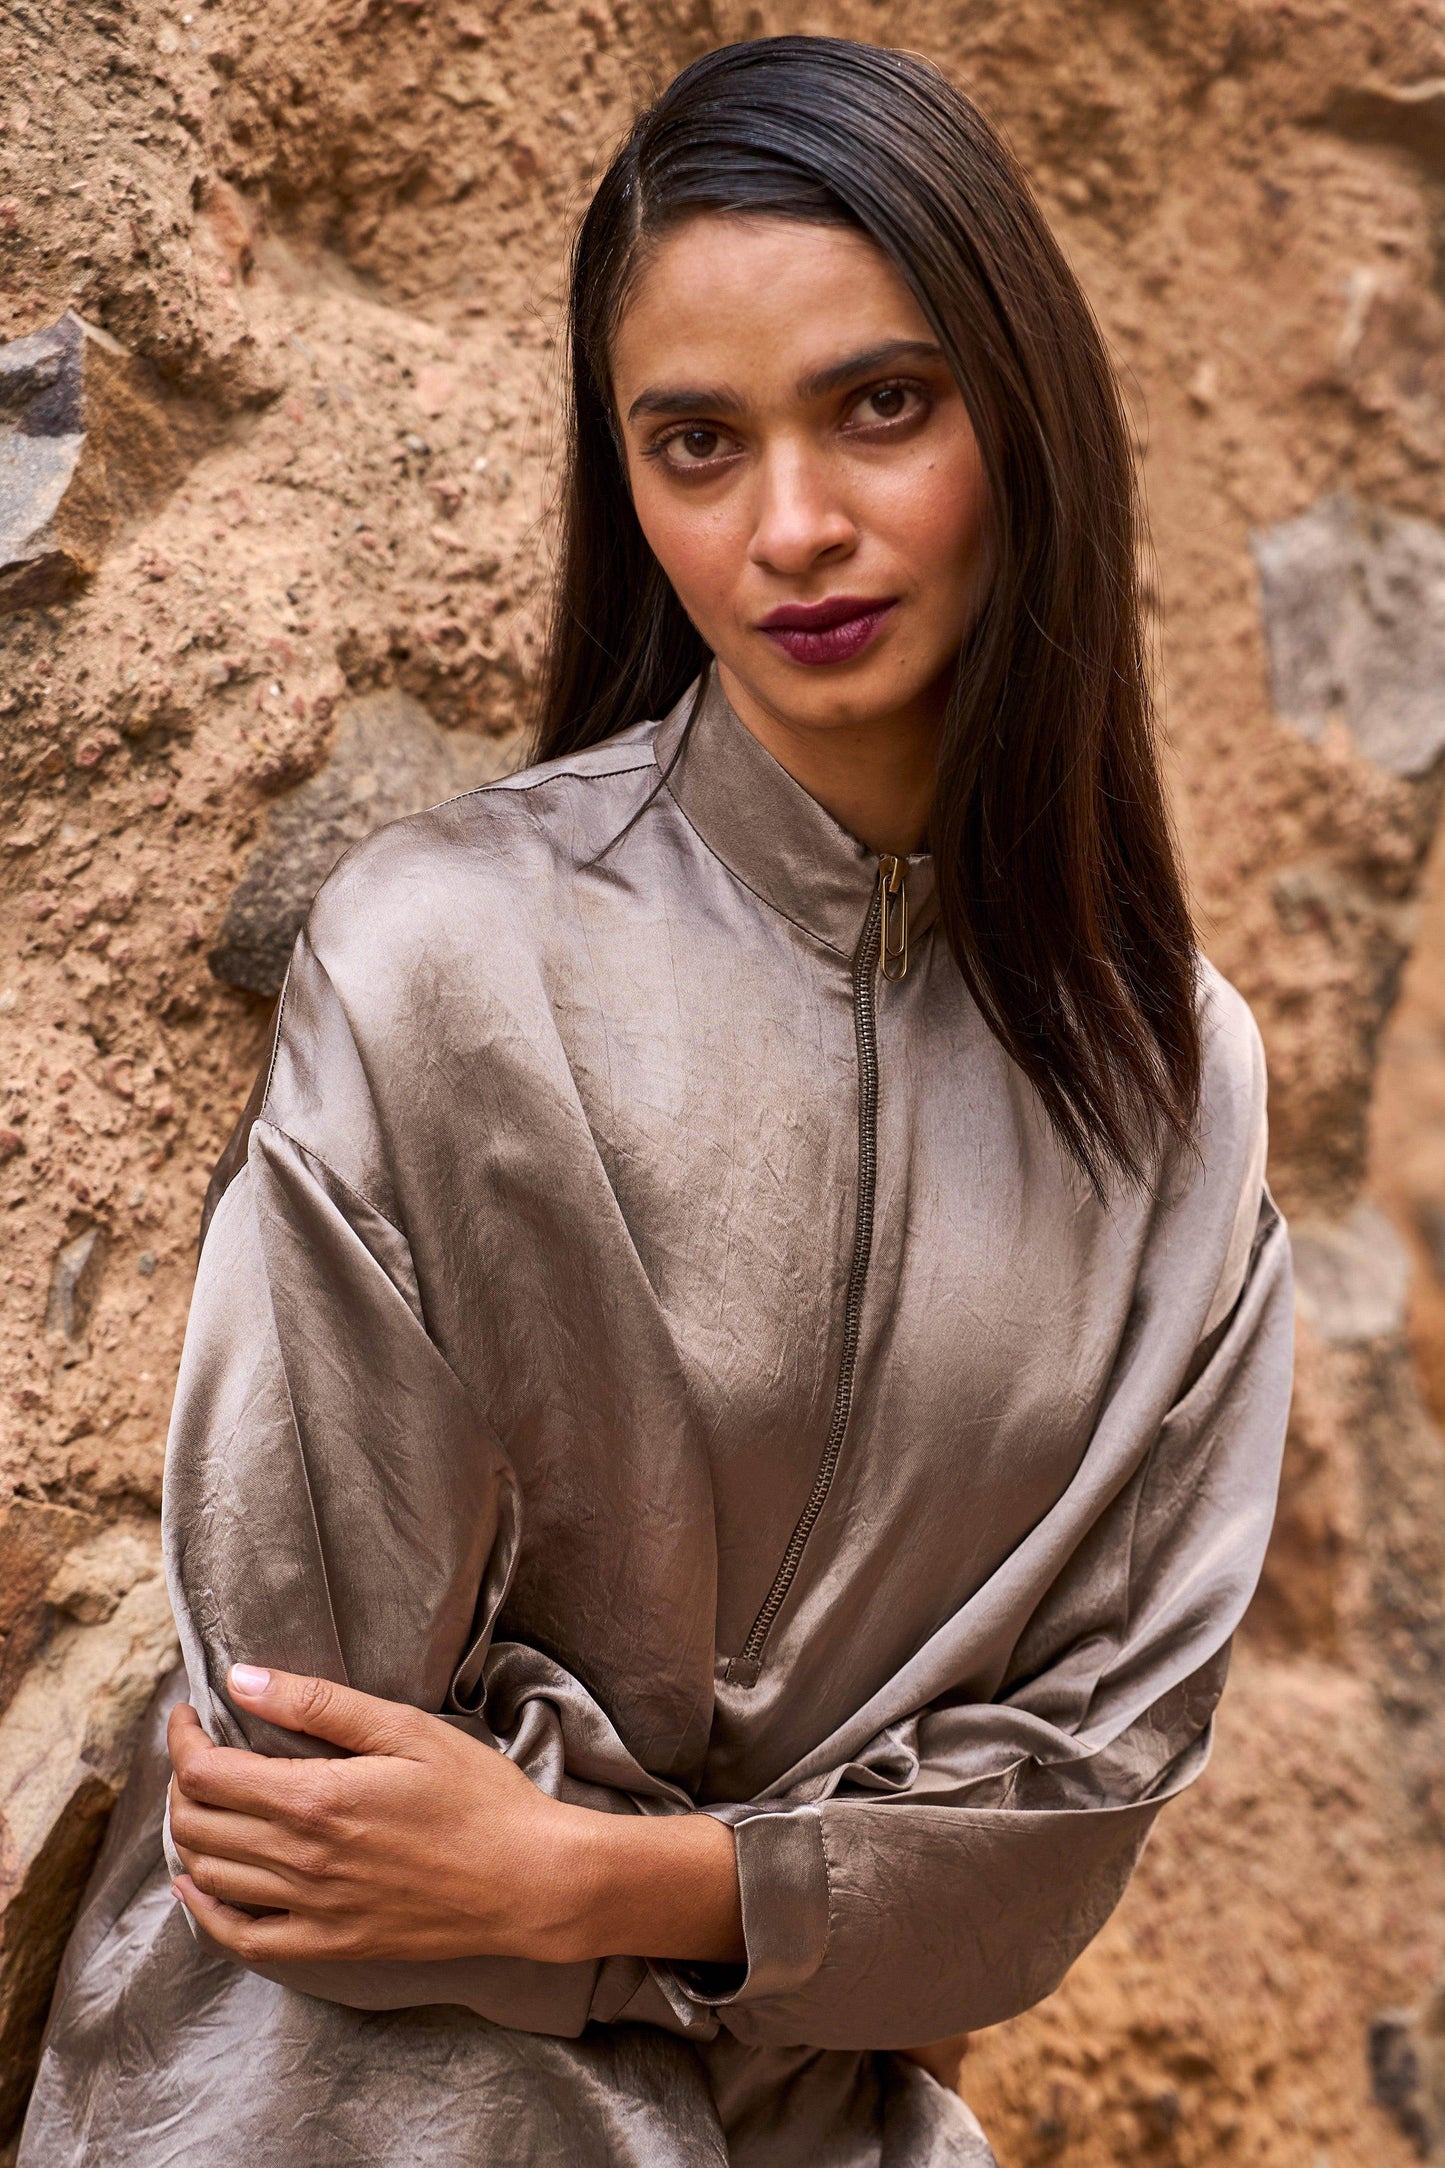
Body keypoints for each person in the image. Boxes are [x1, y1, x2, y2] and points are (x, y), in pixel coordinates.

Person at [20, 35, 1293, 2168]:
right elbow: (304, 1789)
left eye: (881, 406)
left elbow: (1067, 1822)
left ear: (1025, 416)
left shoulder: (1176, 1094)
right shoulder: (445, 959)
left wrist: (582, 1879)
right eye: (696, 443)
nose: (793, 526)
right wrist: (803, 1904)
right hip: (348, 2109)